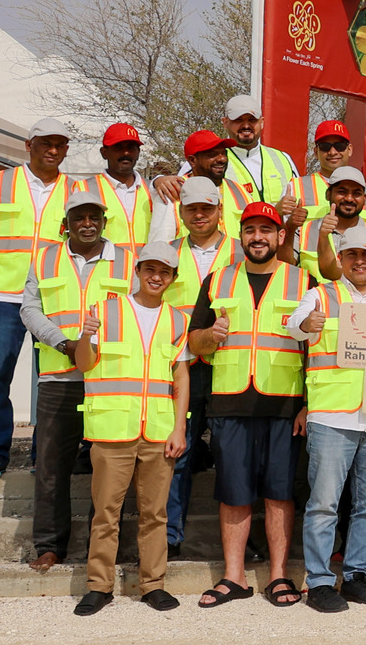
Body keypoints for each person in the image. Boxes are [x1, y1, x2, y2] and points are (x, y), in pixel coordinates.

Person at [188, 202, 307, 608]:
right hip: (230, 402)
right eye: (250, 229)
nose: (258, 237)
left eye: (266, 230)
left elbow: (317, 350)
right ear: (241, 236)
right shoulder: (217, 280)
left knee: (279, 494)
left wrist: (309, 405)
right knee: (233, 492)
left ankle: (278, 577)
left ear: (279, 236)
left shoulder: (303, 281)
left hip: (285, 404)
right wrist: (212, 336)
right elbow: (193, 343)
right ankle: (233, 577)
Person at [285, 223, 366, 613]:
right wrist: (306, 324)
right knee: (323, 505)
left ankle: (356, 576)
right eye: (351, 254)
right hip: (333, 417)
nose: (359, 261)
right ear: (341, 257)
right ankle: (319, 582)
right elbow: (291, 327)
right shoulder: (320, 295)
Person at [68, 243, 192, 615]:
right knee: (105, 513)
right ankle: (98, 586)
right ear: (137, 271)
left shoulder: (177, 320)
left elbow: (181, 377)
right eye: (150, 269)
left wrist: (179, 429)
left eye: (165, 272)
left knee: (156, 515)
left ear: (172, 278)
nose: (157, 277)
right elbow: (85, 364)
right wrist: (87, 335)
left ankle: (153, 585)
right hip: (112, 431)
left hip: (157, 432)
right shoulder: (104, 312)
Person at [19, 189, 130, 571]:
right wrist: (63, 343)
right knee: (51, 467)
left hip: (109, 380)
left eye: (94, 217)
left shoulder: (126, 261)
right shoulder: (45, 258)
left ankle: (106, 549)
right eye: (79, 218)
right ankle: (50, 545)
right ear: (66, 223)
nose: (87, 224)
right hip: (58, 379)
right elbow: (29, 309)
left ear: (103, 221)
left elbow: (136, 314)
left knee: (110, 471)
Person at [0, 116, 74, 482]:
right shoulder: (0, 182)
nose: (52, 150)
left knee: (50, 380)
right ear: (28, 146)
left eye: (60, 144)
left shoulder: (74, 190)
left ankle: (40, 456)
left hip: (52, 300)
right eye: (45, 143)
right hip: (3, 298)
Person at [163, 176, 240, 553]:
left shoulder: (242, 252)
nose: (199, 216)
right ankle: (169, 536)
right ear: (181, 212)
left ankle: (239, 541)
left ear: (219, 211)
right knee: (179, 454)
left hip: (232, 367)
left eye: (206, 209)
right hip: (182, 366)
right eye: (192, 209)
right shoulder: (166, 255)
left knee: (233, 458)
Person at [83, 122, 175, 255]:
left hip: (146, 271)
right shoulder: (84, 189)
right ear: (104, 153)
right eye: (118, 147)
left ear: (138, 153)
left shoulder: (154, 190)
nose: (125, 152)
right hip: (106, 271)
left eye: (131, 148)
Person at [217, 95, 302, 206]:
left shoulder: (283, 159)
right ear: (225, 122)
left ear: (262, 122)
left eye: (252, 120)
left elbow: (298, 205)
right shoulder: (211, 159)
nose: (246, 126)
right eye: (238, 120)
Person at [294, 120, 366, 224]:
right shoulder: (296, 187)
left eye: (340, 146)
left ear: (350, 150)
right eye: (325, 147)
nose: (332, 152)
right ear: (316, 152)